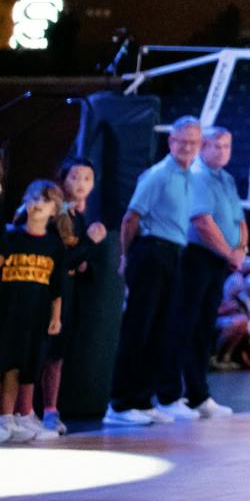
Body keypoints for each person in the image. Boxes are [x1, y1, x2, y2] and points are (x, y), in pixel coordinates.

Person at [107, 115, 203, 426]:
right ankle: (120, 404)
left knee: (161, 330)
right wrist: (127, 257)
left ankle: (142, 399)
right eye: (182, 141)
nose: (187, 147)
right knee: (139, 328)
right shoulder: (158, 175)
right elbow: (130, 219)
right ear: (171, 142)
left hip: (173, 254)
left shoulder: (189, 175)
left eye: (193, 142)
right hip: (150, 253)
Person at [161, 126, 247, 420]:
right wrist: (229, 252)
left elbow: (239, 220)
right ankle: (170, 395)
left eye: (227, 146)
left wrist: (241, 249)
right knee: (182, 327)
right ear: (204, 147)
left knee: (203, 329)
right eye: (217, 146)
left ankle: (199, 395)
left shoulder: (227, 179)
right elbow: (202, 222)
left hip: (218, 262)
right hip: (195, 258)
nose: (223, 152)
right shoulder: (197, 176)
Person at [34, 159, 107, 435]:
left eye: (87, 179)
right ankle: (23, 411)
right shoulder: (57, 214)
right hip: (48, 292)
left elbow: (78, 261)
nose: (81, 184)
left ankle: (50, 410)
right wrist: (88, 242)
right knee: (39, 352)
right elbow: (62, 257)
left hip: (69, 293)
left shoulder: (79, 215)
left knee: (57, 354)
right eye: (75, 177)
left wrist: (87, 258)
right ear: (63, 179)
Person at [1, 181, 65, 444]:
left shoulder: (54, 245)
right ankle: (5, 418)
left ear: (54, 210)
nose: (38, 203)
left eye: (46, 200)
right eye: (35, 197)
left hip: (36, 315)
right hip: (9, 312)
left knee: (29, 365)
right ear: (25, 200)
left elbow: (56, 287)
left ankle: (21, 417)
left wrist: (56, 317)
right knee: (8, 365)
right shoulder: (9, 236)